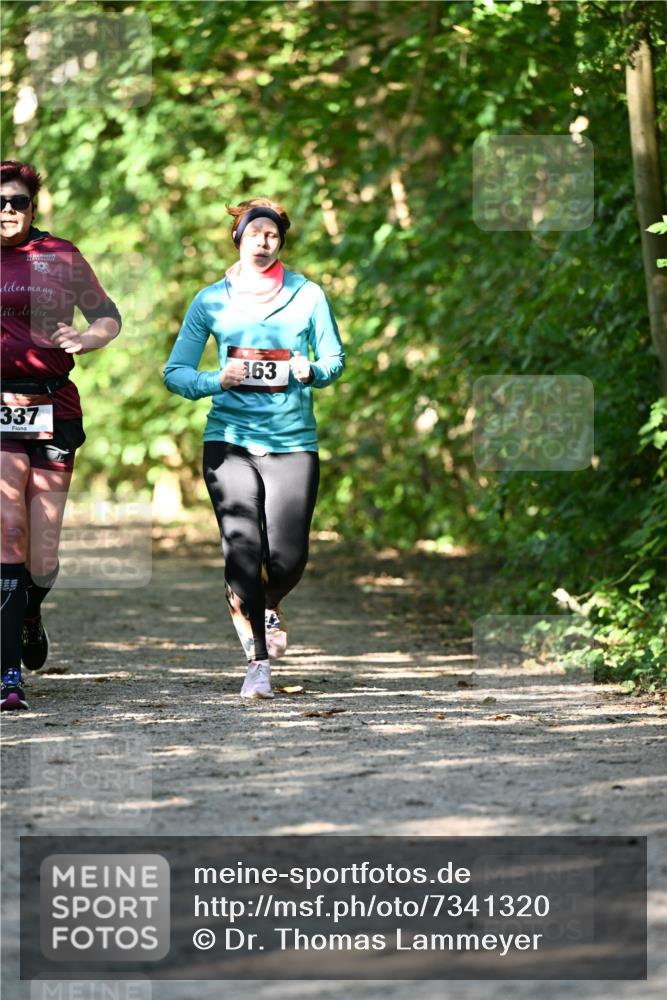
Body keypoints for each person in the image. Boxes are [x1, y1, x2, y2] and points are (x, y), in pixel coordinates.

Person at [164, 197, 345, 699]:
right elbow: (175, 373)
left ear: (279, 242)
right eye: (253, 234)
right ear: (238, 239)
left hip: (292, 442)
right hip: (229, 442)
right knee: (242, 547)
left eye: (271, 235)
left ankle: (269, 601)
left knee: (288, 557)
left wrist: (314, 369)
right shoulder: (210, 301)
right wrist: (215, 379)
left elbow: (333, 358)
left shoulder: (308, 296)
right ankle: (257, 663)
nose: (262, 242)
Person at [0, 160, 121, 711]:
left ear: (32, 206)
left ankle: (29, 613)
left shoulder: (60, 255)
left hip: (52, 403)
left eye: (17, 202)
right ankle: (7, 678)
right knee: (7, 531)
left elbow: (107, 315)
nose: (7, 211)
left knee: (42, 554)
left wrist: (88, 338)